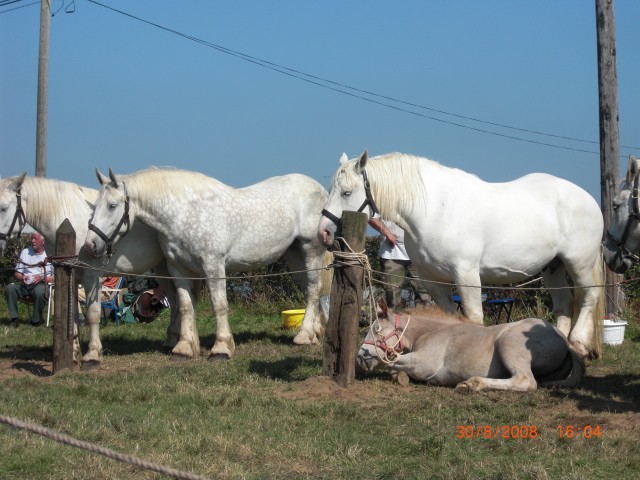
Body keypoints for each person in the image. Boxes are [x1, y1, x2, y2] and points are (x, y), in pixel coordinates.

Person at [368, 217, 431, 309]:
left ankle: (422, 321)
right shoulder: (383, 202)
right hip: (391, 253)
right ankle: (395, 321)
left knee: (425, 296)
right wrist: (388, 234)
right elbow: (372, 218)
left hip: (417, 255)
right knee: (393, 297)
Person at [5, 232, 54, 327]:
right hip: (26, 284)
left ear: (43, 241)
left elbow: (56, 277)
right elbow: (17, 273)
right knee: (10, 289)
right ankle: (14, 319)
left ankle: (36, 320)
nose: (32, 241)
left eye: (35, 239)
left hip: (42, 284)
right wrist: (22, 277)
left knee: (39, 292)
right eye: (32, 238)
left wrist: (42, 277)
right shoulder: (25, 252)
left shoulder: (49, 254)